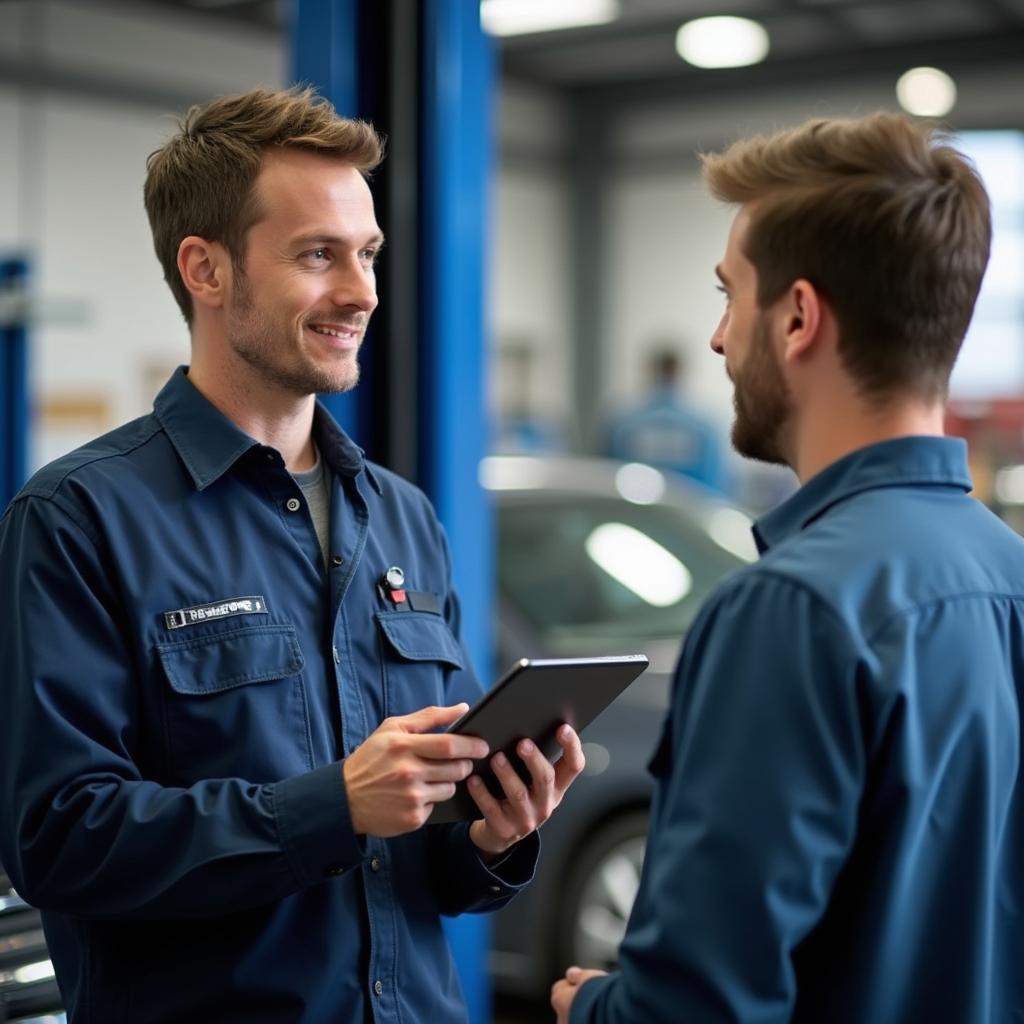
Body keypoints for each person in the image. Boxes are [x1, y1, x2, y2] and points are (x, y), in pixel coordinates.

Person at [0, 87, 585, 1024]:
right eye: (319, 255)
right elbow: (58, 838)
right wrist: (330, 807)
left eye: (367, 254)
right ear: (206, 269)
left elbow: (428, 870)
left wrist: (493, 834)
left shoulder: (402, 516)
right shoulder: (78, 517)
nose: (361, 291)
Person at [552, 112, 1023, 1023]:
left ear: (799, 317)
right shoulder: (1011, 574)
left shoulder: (792, 610)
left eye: (730, 294)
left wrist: (598, 1011)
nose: (722, 339)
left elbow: (697, 1008)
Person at [606, 347, 729, 494]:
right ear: (679, 372)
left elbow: (608, 474)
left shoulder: (624, 423)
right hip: (689, 510)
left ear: (651, 371)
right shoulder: (703, 427)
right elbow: (715, 483)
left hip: (634, 510)